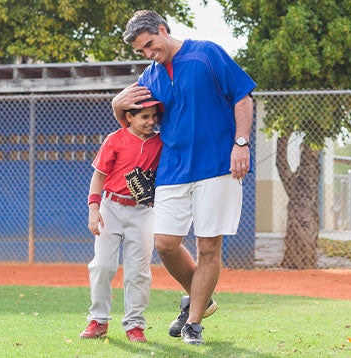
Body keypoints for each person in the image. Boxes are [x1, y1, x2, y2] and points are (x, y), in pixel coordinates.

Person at [111, 10, 256, 345]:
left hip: (218, 164)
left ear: (162, 30)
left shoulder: (206, 53)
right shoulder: (149, 77)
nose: (148, 54)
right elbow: (130, 120)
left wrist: (241, 144)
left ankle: (193, 323)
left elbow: (242, 97)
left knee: (208, 246)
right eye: (141, 51)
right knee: (165, 243)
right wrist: (116, 102)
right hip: (172, 169)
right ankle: (199, 300)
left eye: (149, 44)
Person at [80, 98, 163, 343]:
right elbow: (98, 177)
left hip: (142, 211)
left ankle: (135, 325)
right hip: (111, 207)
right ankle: (98, 320)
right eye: (144, 117)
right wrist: (93, 211)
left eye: (153, 116)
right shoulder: (114, 139)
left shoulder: (161, 143)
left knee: (138, 271)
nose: (151, 121)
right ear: (129, 117)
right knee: (103, 266)